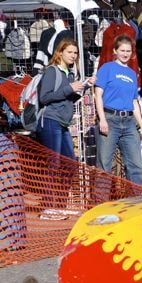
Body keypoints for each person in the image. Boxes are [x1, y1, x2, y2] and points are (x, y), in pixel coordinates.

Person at [37, 39, 95, 220]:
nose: (73, 56)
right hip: (49, 121)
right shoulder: (52, 72)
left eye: (75, 53)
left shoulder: (68, 74)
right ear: (60, 52)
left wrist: (84, 87)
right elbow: (44, 97)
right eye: (70, 52)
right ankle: (48, 207)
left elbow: (68, 98)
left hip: (62, 124)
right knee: (53, 164)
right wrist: (68, 88)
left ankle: (60, 205)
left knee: (69, 164)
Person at [95, 34, 142, 185]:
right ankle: (101, 203)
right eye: (122, 50)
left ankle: (136, 200)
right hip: (110, 118)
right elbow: (98, 95)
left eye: (128, 51)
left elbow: (134, 101)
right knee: (104, 165)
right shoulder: (107, 68)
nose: (125, 54)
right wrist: (102, 119)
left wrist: (141, 126)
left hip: (129, 122)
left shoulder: (131, 73)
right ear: (115, 51)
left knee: (135, 165)